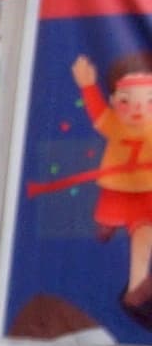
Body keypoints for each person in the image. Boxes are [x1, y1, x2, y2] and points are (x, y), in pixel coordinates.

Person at [72, 50, 152, 319]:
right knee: (110, 223)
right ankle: (108, 224)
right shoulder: (115, 124)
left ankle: (136, 290)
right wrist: (87, 86)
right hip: (117, 191)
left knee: (144, 236)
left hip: (147, 198)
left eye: (149, 101)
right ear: (114, 101)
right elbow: (97, 115)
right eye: (127, 101)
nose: (138, 109)